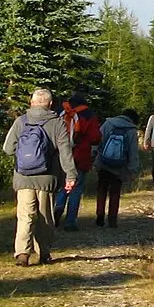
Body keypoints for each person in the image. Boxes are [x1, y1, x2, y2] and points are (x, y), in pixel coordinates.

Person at [3, 87, 77, 265]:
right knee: (45, 216)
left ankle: (22, 253)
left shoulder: (21, 121)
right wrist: (70, 175)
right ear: (50, 104)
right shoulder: (57, 123)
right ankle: (44, 252)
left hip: (23, 177)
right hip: (47, 178)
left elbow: (7, 149)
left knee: (25, 215)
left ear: (32, 102)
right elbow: (65, 152)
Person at [57, 93, 103, 231]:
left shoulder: (62, 112)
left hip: (62, 155)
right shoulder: (88, 114)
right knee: (76, 188)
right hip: (81, 155)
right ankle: (70, 222)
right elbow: (95, 138)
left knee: (63, 185)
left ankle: (57, 207)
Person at [93, 111, 140, 227]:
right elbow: (133, 152)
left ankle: (100, 214)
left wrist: (94, 157)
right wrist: (133, 169)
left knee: (101, 189)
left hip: (103, 163)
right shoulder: (131, 130)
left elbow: (97, 140)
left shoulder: (108, 124)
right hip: (119, 167)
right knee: (115, 192)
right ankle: (112, 219)